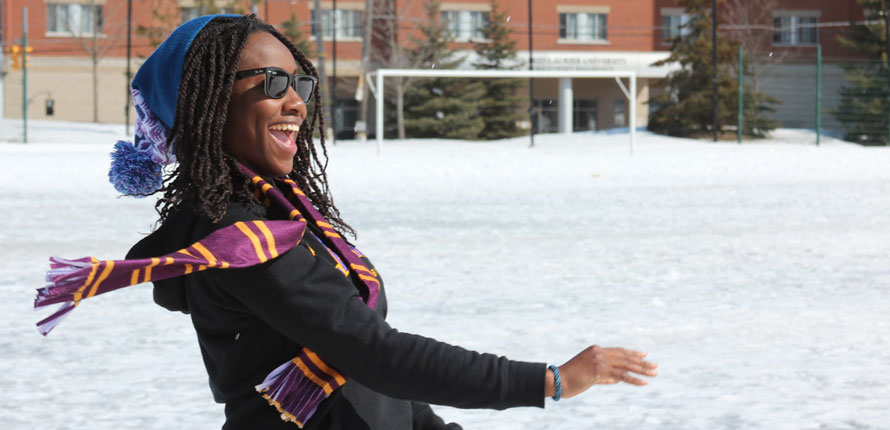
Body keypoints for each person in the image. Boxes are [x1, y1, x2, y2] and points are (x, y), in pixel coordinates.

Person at [35, 14, 657, 430]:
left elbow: (358, 366)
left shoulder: (284, 214)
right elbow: (373, 353)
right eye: (271, 80)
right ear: (207, 101)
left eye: (300, 80)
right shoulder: (238, 237)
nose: (296, 102)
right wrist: (549, 380)